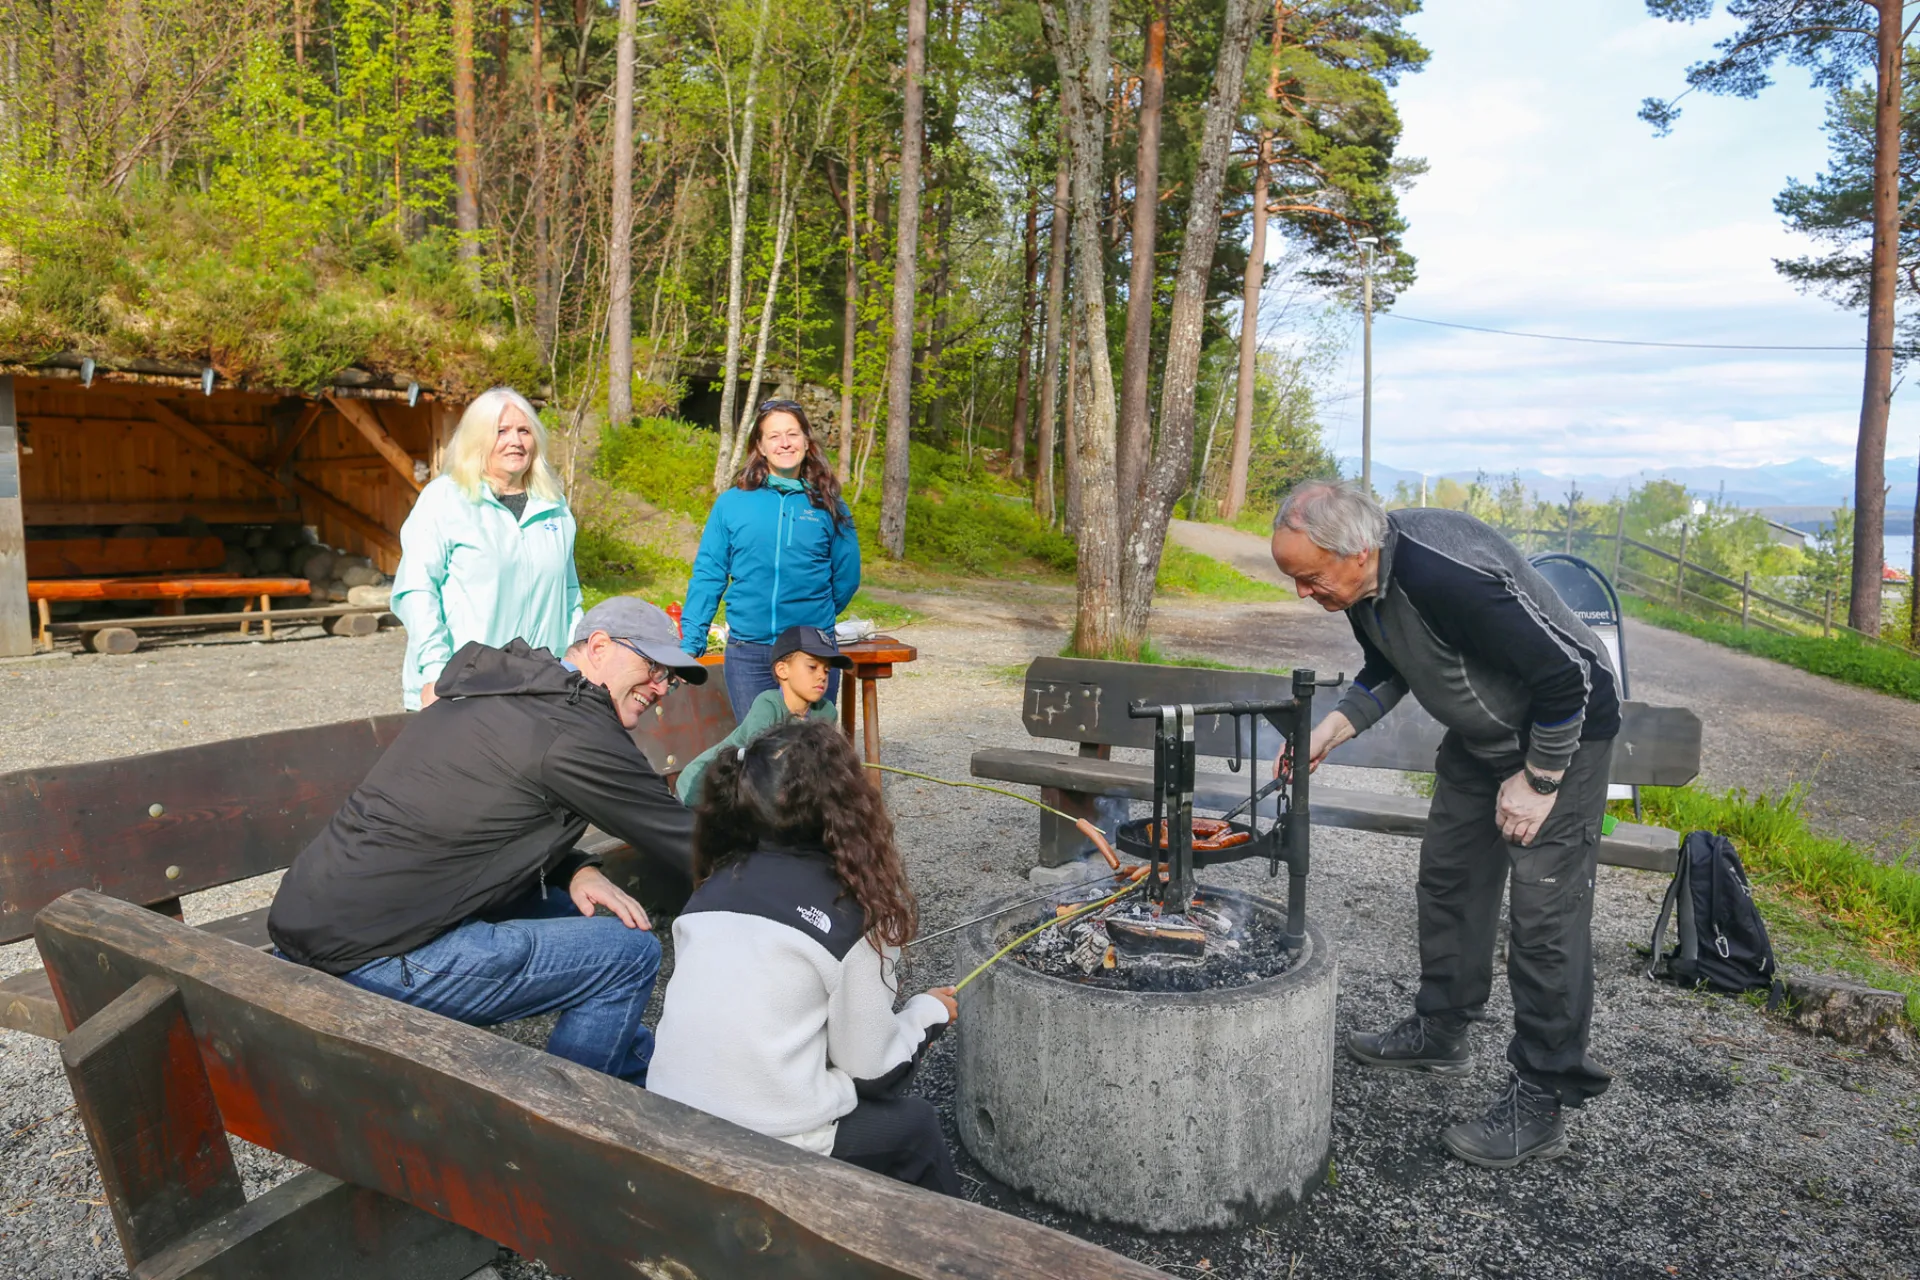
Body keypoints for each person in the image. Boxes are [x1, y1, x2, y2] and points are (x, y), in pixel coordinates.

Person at [1269, 479, 1620, 1169]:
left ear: (1359, 551)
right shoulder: (1359, 584)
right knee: (1450, 880)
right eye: (1295, 581)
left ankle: (1544, 1092)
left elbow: (1569, 677)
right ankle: (1440, 1032)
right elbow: (1387, 663)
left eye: (1309, 579)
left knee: (1544, 920)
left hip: (1562, 738)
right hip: (1479, 739)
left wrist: (1540, 779)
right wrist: (1332, 727)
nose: (1303, 595)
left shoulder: (1444, 574)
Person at [268, 597, 708, 1086]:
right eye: (652, 667)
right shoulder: (572, 726)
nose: (661, 687)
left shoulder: (511, 688)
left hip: (315, 920)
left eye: (669, 677)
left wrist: (572, 868)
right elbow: (691, 840)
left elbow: (481, 816)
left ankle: (638, 1067)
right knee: (629, 955)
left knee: (568, 910)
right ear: (600, 646)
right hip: (372, 955)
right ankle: (572, 1124)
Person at [648, 719, 960, 1195]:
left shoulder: (710, 888)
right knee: (915, 1127)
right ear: (847, 806)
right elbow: (872, 1071)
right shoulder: (850, 912)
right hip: (763, 1139)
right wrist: (927, 1012)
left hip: (672, 1117)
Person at [392, 386, 582, 711]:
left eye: (524, 430)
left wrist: (578, 666)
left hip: (538, 690)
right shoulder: (445, 499)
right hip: (462, 689)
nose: (516, 441)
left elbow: (569, 596)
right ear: (477, 439)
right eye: (501, 431)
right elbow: (416, 591)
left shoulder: (555, 507)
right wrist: (437, 672)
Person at [681, 400, 861, 721]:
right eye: (774, 436)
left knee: (812, 755)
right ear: (760, 446)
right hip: (749, 652)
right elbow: (710, 574)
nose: (785, 443)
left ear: (807, 442)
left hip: (812, 652)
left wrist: (814, 617)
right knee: (760, 756)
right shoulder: (733, 503)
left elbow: (846, 577)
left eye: (792, 434)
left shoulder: (829, 505)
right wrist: (692, 641)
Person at [674, 624, 848, 806]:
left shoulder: (826, 712)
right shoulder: (768, 704)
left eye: (827, 670)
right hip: (705, 788)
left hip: (749, 796)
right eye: (812, 667)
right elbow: (760, 762)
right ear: (783, 670)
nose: (822, 676)